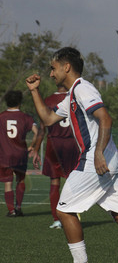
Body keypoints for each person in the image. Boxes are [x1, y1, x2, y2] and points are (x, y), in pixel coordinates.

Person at [26, 47, 118, 263]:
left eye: (53, 69)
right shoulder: (72, 95)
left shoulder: (83, 88)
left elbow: (106, 118)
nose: (51, 74)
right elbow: (47, 118)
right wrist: (34, 91)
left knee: (63, 210)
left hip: (97, 160)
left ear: (66, 67)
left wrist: (98, 154)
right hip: (111, 160)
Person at [33, 85, 80, 229]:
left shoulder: (47, 100)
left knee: (54, 182)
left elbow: (42, 129)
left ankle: (57, 219)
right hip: (72, 144)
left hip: (53, 144)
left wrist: (35, 150)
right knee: (72, 182)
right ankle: (72, 215)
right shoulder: (75, 99)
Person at [0, 90, 38, 217]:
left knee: (8, 183)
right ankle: (19, 208)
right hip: (21, 154)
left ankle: (11, 211)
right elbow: (37, 132)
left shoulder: (1, 116)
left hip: (5, 155)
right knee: (20, 180)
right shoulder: (25, 117)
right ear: (20, 102)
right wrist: (32, 146)